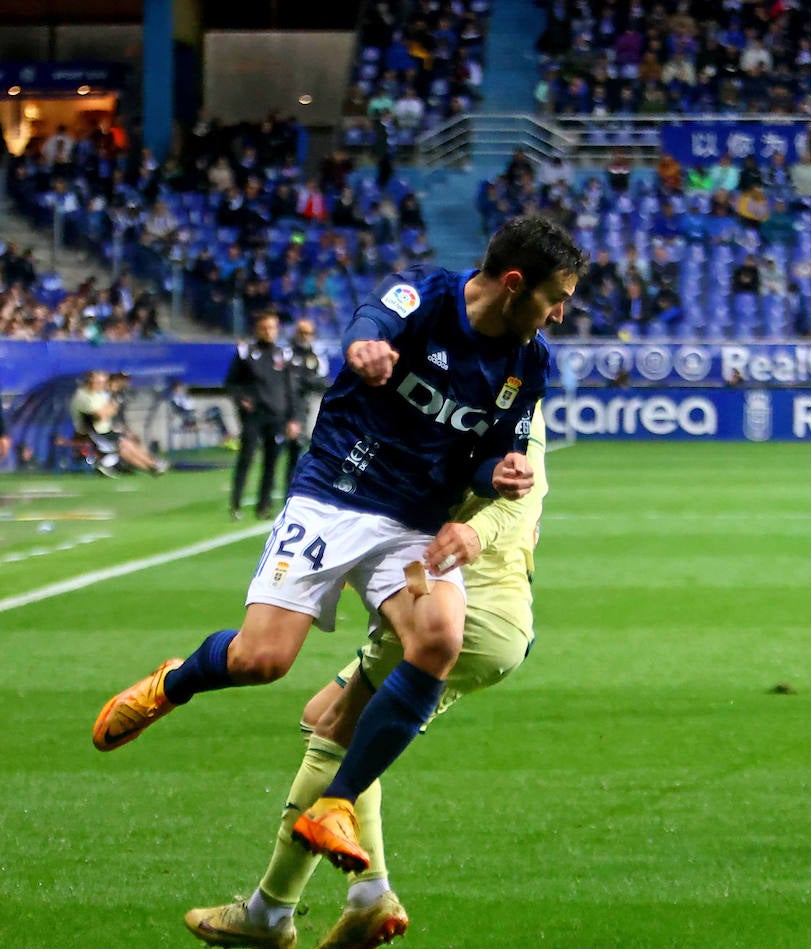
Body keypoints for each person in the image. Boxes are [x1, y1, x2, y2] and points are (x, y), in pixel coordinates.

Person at [92, 217, 585, 883]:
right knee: (262, 658)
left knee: (438, 637)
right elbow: (368, 319)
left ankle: (336, 803)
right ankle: (173, 683)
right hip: (335, 496)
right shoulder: (425, 299)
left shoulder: (528, 364)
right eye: (556, 296)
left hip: (412, 528)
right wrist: (365, 349)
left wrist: (496, 474)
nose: (560, 313)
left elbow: (490, 450)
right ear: (515, 283)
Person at [184, 406, 550, 949]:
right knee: (327, 715)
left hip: (465, 608)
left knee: (335, 731)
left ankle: (271, 912)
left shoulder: (506, 390)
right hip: (491, 610)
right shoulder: (489, 379)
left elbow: (520, 489)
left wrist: (471, 533)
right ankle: (365, 895)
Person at [226, 312, 301, 521]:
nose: (269, 332)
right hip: (254, 416)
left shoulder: (282, 354)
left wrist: (292, 418)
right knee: (246, 459)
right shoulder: (246, 353)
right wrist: (242, 398)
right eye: (265, 328)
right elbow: (231, 383)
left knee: (271, 463)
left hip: (276, 416)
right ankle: (235, 504)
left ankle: (263, 506)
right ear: (257, 329)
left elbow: (289, 389)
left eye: (273, 328)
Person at [69, 369, 168, 477]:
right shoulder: (83, 396)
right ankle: (151, 466)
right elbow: (101, 416)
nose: (102, 384)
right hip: (92, 433)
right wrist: (111, 405)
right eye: (100, 382)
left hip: (104, 430)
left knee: (129, 442)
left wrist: (109, 407)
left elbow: (110, 412)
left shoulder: (98, 395)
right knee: (124, 446)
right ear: (91, 381)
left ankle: (152, 465)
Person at [283, 319, 331, 486]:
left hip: (314, 407)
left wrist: (306, 381)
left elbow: (323, 382)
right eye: (302, 332)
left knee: (312, 453)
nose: (305, 336)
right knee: (294, 454)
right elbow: (290, 383)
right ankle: (289, 493)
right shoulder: (288, 353)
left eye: (308, 333)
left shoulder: (316, 356)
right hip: (294, 409)